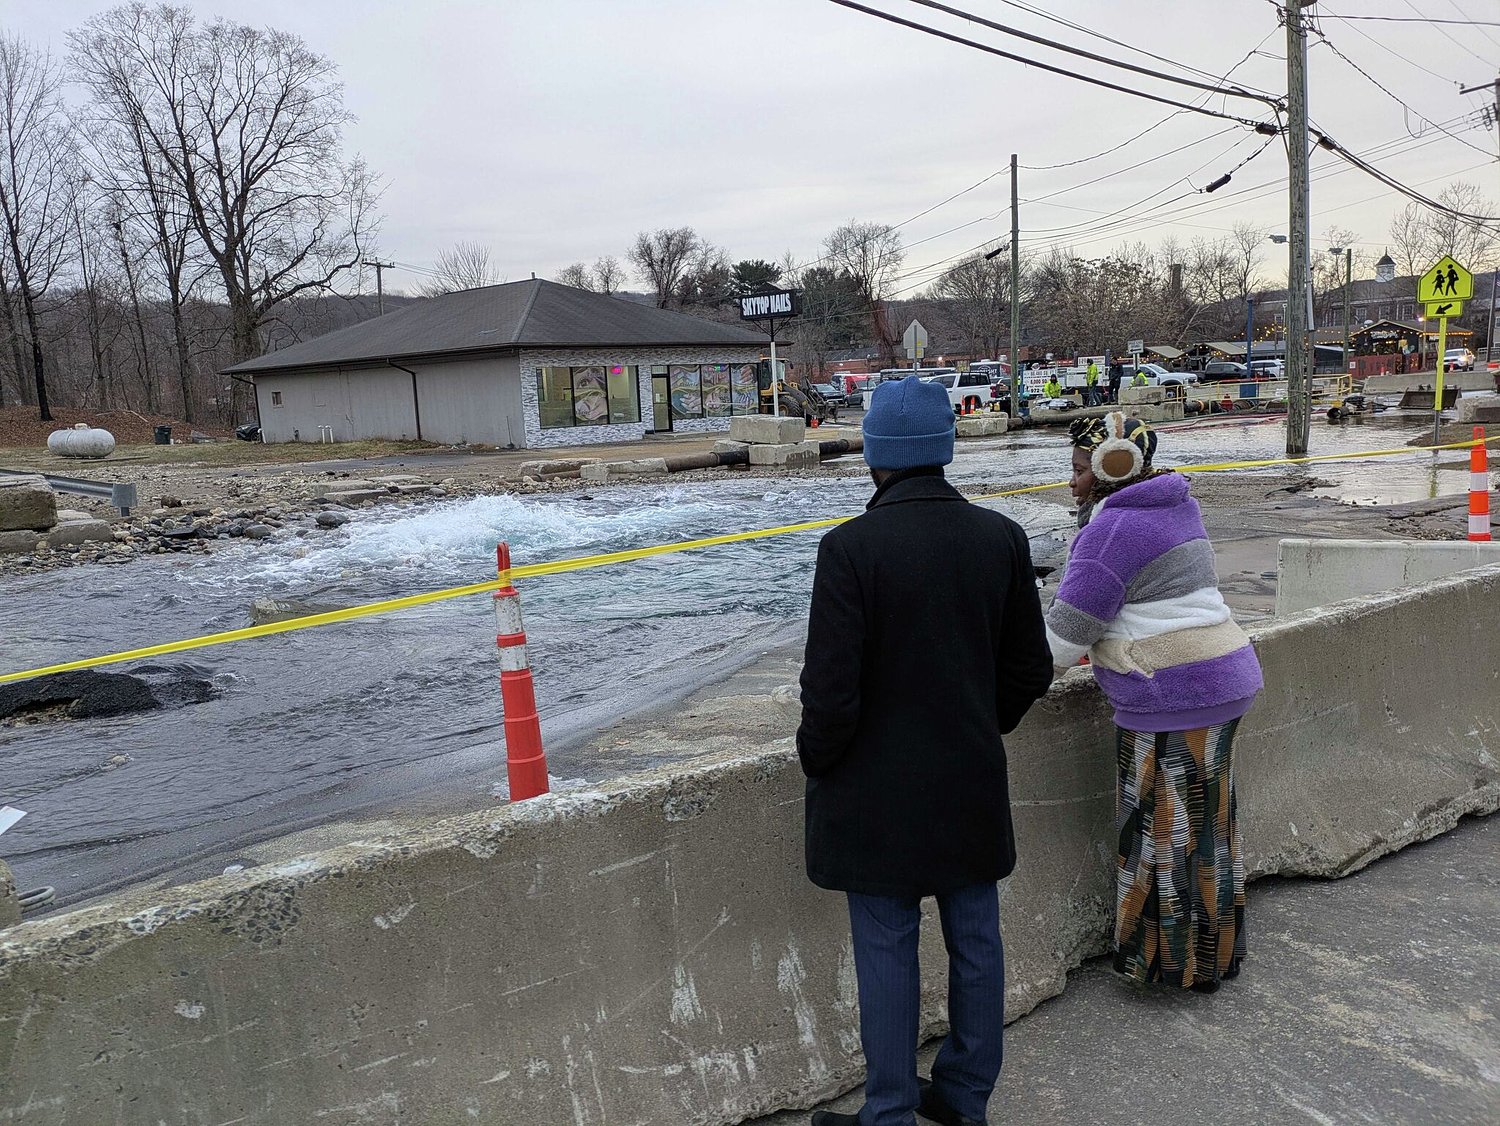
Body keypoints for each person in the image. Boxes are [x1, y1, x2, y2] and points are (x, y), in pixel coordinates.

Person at [798, 375, 1053, 1126]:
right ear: (944, 449)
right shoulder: (999, 538)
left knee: (887, 946)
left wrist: (820, 760)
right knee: (975, 934)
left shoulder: (849, 550)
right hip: (968, 777)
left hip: (874, 794)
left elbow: (831, 694)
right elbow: (1029, 670)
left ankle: (890, 1113)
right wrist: (981, 723)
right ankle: (966, 1100)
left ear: (875, 455)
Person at [1044, 413, 1264, 994]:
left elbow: (1064, 640)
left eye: (1076, 470)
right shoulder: (1172, 506)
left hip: (1173, 691)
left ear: (1109, 467)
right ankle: (1219, 951)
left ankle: (1176, 965)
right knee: (1210, 827)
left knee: (1164, 832)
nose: (1070, 482)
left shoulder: (1111, 530)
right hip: (1223, 678)